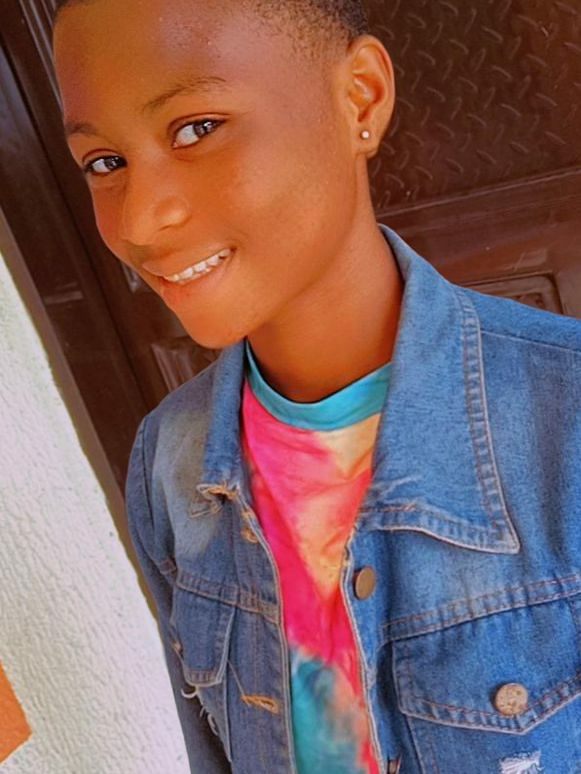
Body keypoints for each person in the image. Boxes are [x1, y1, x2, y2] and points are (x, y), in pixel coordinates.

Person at [51, 1, 581, 772]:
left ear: (358, 98)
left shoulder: (563, 420)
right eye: (104, 163)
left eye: (196, 128)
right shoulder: (171, 460)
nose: (141, 219)